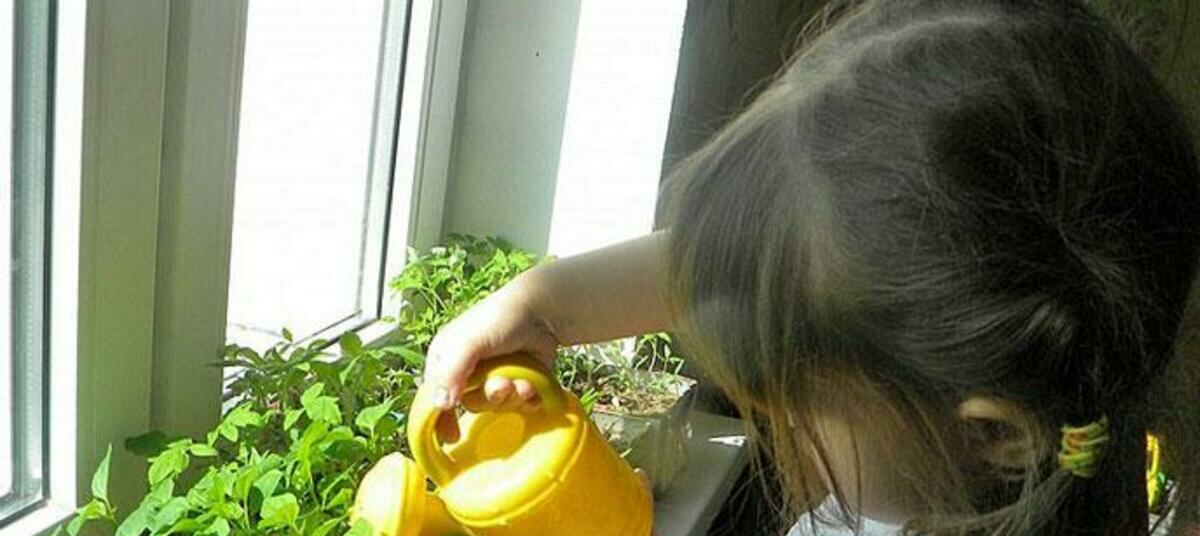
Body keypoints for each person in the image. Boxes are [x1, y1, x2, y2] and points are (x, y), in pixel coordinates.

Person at [422, 0, 1200, 533]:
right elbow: (738, 268)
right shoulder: (995, 428)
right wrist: (541, 306)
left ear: (992, 432)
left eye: (795, 407)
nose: (776, 423)